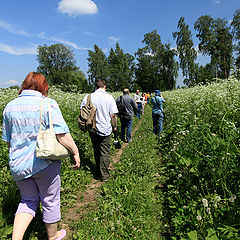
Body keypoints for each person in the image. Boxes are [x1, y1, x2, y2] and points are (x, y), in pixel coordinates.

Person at [2, 72, 80, 240]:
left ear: (24, 85)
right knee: (50, 200)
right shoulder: (47, 103)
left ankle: (16, 238)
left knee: (27, 200)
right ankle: (53, 237)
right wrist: (75, 152)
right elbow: (62, 134)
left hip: (18, 165)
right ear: (43, 87)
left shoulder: (10, 106)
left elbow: (8, 141)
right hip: (44, 164)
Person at [80, 80, 118, 182]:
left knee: (96, 150)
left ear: (96, 87)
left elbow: (82, 111)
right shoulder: (109, 97)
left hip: (92, 128)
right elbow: (113, 115)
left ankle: (98, 171)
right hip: (105, 129)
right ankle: (104, 175)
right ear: (104, 87)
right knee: (105, 152)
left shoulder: (88, 97)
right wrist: (115, 126)